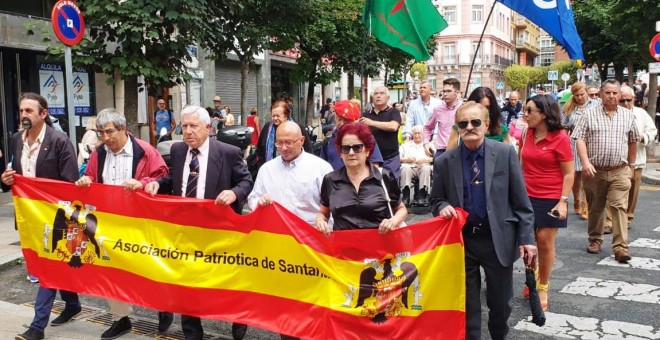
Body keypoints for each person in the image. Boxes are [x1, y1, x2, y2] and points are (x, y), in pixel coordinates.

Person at [430, 101, 536, 340]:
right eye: (463, 123)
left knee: (501, 304)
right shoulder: (445, 161)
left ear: (486, 125)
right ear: (457, 127)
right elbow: (435, 200)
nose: (470, 127)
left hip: (497, 239)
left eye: (475, 122)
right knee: (468, 305)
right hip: (462, 243)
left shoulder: (506, 154)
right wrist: (444, 206)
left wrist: (527, 239)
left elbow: (521, 202)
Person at [145, 105, 253, 340]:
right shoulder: (178, 150)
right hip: (185, 230)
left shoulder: (227, 152)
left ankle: (237, 316)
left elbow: (246, 181)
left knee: (223, 280)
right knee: (187, 282)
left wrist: (234, 193)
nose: (188, 131)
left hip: (219, 230)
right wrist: (159, 184)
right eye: (184, 126)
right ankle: (192, 332)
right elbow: (175, 177)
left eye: (193, 126)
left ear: (207, 127)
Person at [74, 108, 173, 339]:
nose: (105, 138)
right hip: (109, 222)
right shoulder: (100, 152)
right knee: (111, 271)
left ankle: (164, 306)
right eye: (101, 133)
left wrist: (143, 182)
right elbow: (91, 176)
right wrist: (86, 179)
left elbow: (163, 178)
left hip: (141, 223)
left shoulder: (145, 151)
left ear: (123, 129)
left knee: (149, 267)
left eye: (109, 132)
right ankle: (121, 319)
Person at [2, 92, 81, 340]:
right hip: (28, 218)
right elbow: (13, 175)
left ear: (43, 114)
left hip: (54, 218)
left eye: (29, 111)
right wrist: (6, 181)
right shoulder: (17, 139)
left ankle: (37, 327)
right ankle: (72, 304)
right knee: (49, 265)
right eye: (21, 110)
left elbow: (69, 184)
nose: (24, 115)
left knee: (49, 269)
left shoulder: (60, 141)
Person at [572, 80, 640, 263]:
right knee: (596, 207)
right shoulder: (588, 114)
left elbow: (633, 140)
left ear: (619, 95)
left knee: (619, 207)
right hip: (595, 172)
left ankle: (620, 247)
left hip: (619, 170)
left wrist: (631, 165)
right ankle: (595, 239)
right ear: (601, 94)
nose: (611, 96)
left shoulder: (628, 116)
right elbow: (579, 139)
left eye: (615, 93)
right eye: (608, 92)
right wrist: (585, 163)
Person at [519, 95, 574, 312]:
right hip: (526, 195)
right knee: (527, 241)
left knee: (543, 240)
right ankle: (531, 277)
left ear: (543, 114)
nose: (525, 115)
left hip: (552, 195)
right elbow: (520, 164)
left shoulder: (560, 137)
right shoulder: (526, 133)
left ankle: (543, 286)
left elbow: (569, 174)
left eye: (529, 111)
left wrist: (563, 201)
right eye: (525, 110)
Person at [316, 123, 407, 235]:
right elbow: (323, 212)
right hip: (343, 249)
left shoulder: (384, 177)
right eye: (345, 148)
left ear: (367, 150)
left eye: (357, 148)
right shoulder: (330, 180)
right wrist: (321, 221)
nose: (351, 153)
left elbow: (401, 209)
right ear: (340, 153)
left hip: (381, 248)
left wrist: (393, 221)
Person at [248, 121, 333, 229]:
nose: (283, 148)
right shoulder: (266, 169)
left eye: (289, 142)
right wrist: (258, 202)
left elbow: (333, 206)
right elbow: (253, 198)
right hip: (277, 235)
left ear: (302, 140)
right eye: (279, 143)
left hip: (309, 237)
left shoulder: (321, 168)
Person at [602, 86, 657, 231]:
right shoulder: (609, 114)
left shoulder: (641, 114)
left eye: (629, 100)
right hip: (615, 162)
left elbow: (652, 131)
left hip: (636, 161)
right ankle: (609, 221)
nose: (626, 103)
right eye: (622, 100)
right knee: (611, 192)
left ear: (634, 99)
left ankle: (627, 217)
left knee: (632, 192)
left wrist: (643, 137)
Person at [562, 82, 599, 220]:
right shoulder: (569, 108)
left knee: (587, 175)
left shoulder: (596, 104)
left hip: (591, 142)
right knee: (576, 175)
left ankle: (586, 205)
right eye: (577, 95)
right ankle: (577, 200)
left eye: (582, 94)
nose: (580, 97)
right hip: (573, 142)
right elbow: (565, 127)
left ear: (587, 92)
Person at [320, 99, 384, 170]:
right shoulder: (329, 139)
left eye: (346, 121)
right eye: (339, 119)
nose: (342, 123)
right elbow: (322, 166)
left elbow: (375, 166)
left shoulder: (366, 137)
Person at [254, 101, 313, 170]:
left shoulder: (297, 128)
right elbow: (260, 149)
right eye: (273, 116)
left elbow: (308, 150)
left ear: (286, 116)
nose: (275, 118)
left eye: (278, 116)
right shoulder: (267, 128)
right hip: (271, 171)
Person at [360, 86, 403, 180]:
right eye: (376, 94)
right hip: (371, 159)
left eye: (382, 93)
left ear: (388, 97)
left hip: (390, 158)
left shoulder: (393, 112)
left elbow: (393, 126)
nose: (378, 96)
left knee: (392, 186)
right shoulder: (366, 114)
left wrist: (372, 123)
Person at [423, 78, 462, 162]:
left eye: (448, 91)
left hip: (459, 150)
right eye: (443, 91)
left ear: (457, 92)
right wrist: (426, 143)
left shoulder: (464, 108)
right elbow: (427, 127)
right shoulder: (438, 110)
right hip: (441, 151)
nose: (445, 94)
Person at [399, 125, 433, 206]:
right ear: (412, 134)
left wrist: (426, 160)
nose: (417, 135)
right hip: (410, 167)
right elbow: (399, 158)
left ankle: (421, 196)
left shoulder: (428, 145)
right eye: (415, 133)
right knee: (405, 168)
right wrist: (406, 159)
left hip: (423, 166)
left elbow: (435, 158)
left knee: (426, 168)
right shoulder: (405, 145)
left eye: (419, 133)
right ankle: (406, 196)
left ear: (423, 134)